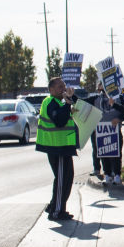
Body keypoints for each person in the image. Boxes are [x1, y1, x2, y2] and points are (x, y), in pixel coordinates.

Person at [36, 77, 82, 221]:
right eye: (60, 87)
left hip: (63, 146)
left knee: (67, 178)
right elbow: (60, 121)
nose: (63, 89)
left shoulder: (60, 101)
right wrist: (67, 104)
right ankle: (56, 212)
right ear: (51, 90)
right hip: (57, 147)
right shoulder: (50, 102)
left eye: (64, 86)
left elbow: (78, 104)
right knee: (62, 180)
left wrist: (71, 97)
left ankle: (54, 206)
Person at [94, 90, 124, 186]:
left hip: (114, 130)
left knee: (116, 154)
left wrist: (119, 118)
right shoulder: (96, 98)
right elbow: (82, 102)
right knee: (104, 153)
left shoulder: (119, 97)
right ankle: (107, 175)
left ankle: (117, 175)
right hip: (102, 131)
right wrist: (71, 96)